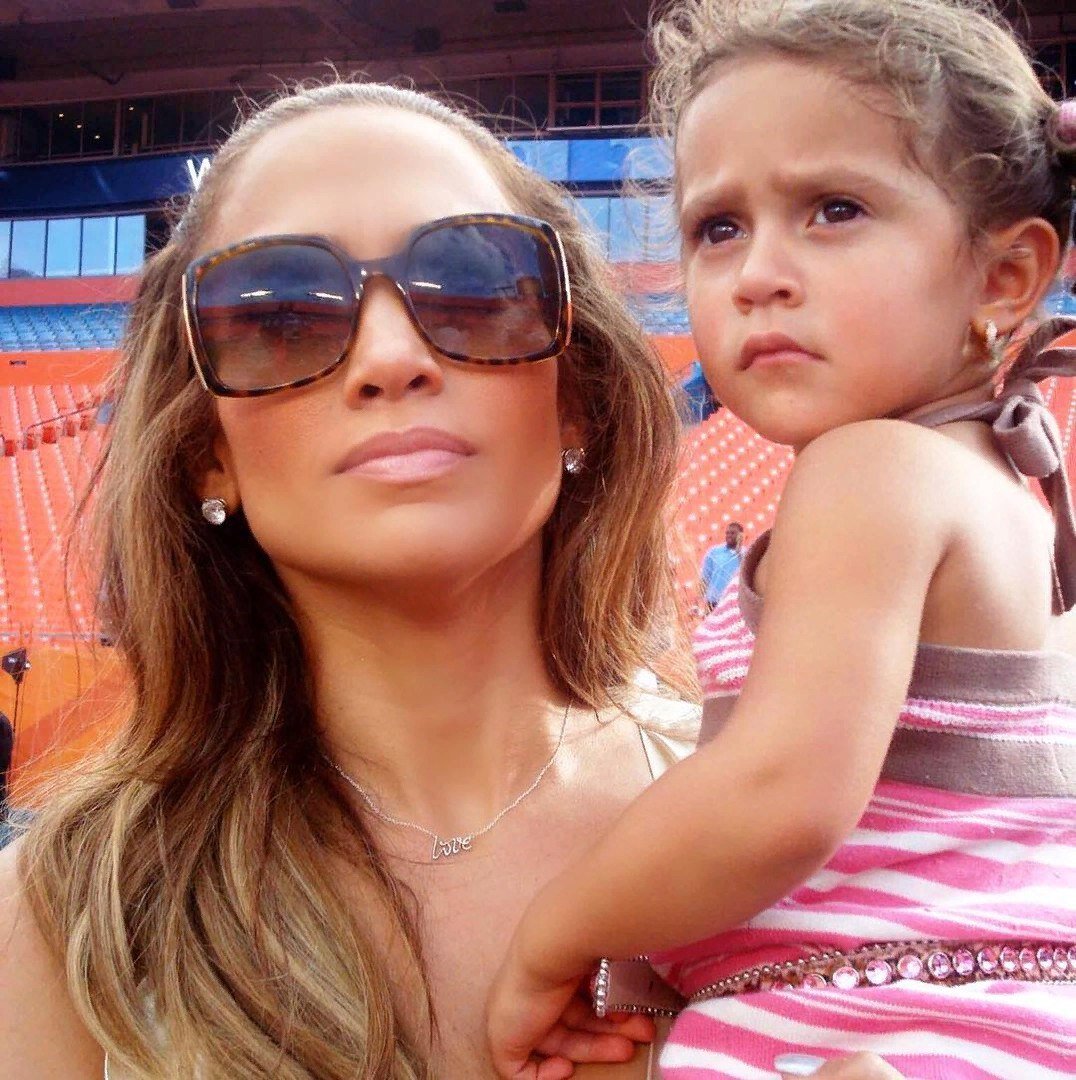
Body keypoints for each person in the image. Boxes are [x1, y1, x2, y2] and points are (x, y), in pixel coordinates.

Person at [0, 81, 896, 1080]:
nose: (390, 358)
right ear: (209, 454)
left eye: (472, 287)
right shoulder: (56, 918)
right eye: (281, 314)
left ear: (575, 401)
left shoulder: (796, 826)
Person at [486, 2, 1076, 1077]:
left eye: (833, 209)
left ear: (1003, 276)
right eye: (718, 227)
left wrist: (554, 934)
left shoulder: (871, 471)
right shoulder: (993, 485)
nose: (758, 272)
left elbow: (780, 794)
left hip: (898, 1033)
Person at [700, 522, 744, 609]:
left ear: (740, 536)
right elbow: (705, 577)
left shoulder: (745, 554)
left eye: (733, 533)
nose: (729, 536)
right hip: (713, 601)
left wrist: (738, 551)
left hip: (734, 601)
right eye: (727, 533)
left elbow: (745, 573)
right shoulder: (714, 552)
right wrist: (701, 597)